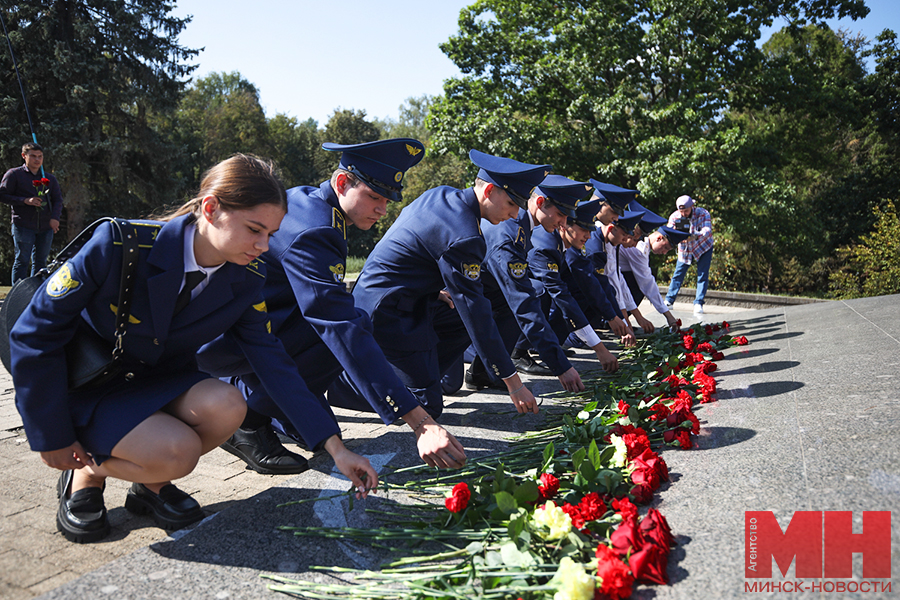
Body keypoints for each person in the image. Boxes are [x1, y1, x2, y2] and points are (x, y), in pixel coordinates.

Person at [9, 154, 377, 544]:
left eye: (271, 234)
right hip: (91, 385)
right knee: (178, 452)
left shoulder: (246, 277)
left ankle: (142, 482)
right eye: (254, 229)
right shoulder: (121, 244)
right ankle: (87, 473)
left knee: (230, 404)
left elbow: (273, 362)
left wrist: (336, 450)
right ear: (211, 208)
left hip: (154, 383)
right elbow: (33, 332)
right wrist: (50, 435)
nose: (263, 246)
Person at [197, 139, 466, 473]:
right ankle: (248, 420)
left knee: (342, 329)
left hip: (251, 326)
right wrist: (420, 422)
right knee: (344, 331)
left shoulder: (316, 207)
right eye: (374, 196)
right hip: (226, 340)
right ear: (342, 183)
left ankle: (284, 410)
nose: (383, 209)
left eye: (387, 199)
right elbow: (338, 325)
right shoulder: (316, 229)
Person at [328, 149, 546, 420]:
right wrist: (513, 382)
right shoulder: (465, 234)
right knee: (425, 406)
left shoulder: (444, 195)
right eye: (512, 204)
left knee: (464, 313)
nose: (515, 215)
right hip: (387, 313)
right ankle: (337, 386)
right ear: (489, 191)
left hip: (409, 301)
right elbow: (476, 313)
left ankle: (423, 376)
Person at [463, 175, 594, 392]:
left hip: (481, 294)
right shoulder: (511, 233)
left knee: (533, 290)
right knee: (442, 389)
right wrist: (560, 365)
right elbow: (523, 305)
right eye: (561, 214)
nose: (563, 223)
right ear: (540, 202)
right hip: (453, 303)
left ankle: (483, 372)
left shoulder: (522, 225)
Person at [528, 199, 624, 372]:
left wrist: (614, 317)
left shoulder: (566, 244)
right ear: (565, 226)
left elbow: (591, 283)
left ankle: (552, 342)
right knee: (538, 291)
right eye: (584, 230)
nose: (588, 236)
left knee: (577, 289)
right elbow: (560, 294)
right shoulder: (547, 246)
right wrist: (599, 348)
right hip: (500, 308)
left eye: (590, 230)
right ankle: (518, 352)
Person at [0, 142, 64, 283]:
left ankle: (35, 295)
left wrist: (55, 218)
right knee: (22, 260)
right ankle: (17, 295)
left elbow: (58, 200)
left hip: (45, 226)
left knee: (41, 262)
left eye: (40, 156)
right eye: (33, 156)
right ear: (24, 156)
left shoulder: (49, 179)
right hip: (23, 224)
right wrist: (25, 201)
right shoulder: (14, 174)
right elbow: (2, 195)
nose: (37, 159)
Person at [619, 222, 690, 330]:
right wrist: (668, 316)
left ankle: (618, 320)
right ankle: (615, 320)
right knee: (639, 286)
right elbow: (647, 284)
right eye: (665, 247)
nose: (664, 252)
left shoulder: (644, 246)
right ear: (659, 238)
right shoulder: (638, 249)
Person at [664, 195, 714, 316]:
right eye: (681, 211)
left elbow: (707, 230)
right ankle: (669, 300)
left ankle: (698, 303)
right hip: (685, 249)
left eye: (686, 211)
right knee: (678, 274)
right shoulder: (675, 216)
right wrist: (676, 234)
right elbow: (668, 231)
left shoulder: (702, 213)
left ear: (692, 206)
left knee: (702, 275)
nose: (684, 214)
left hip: (703, 246)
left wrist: (695, 235)